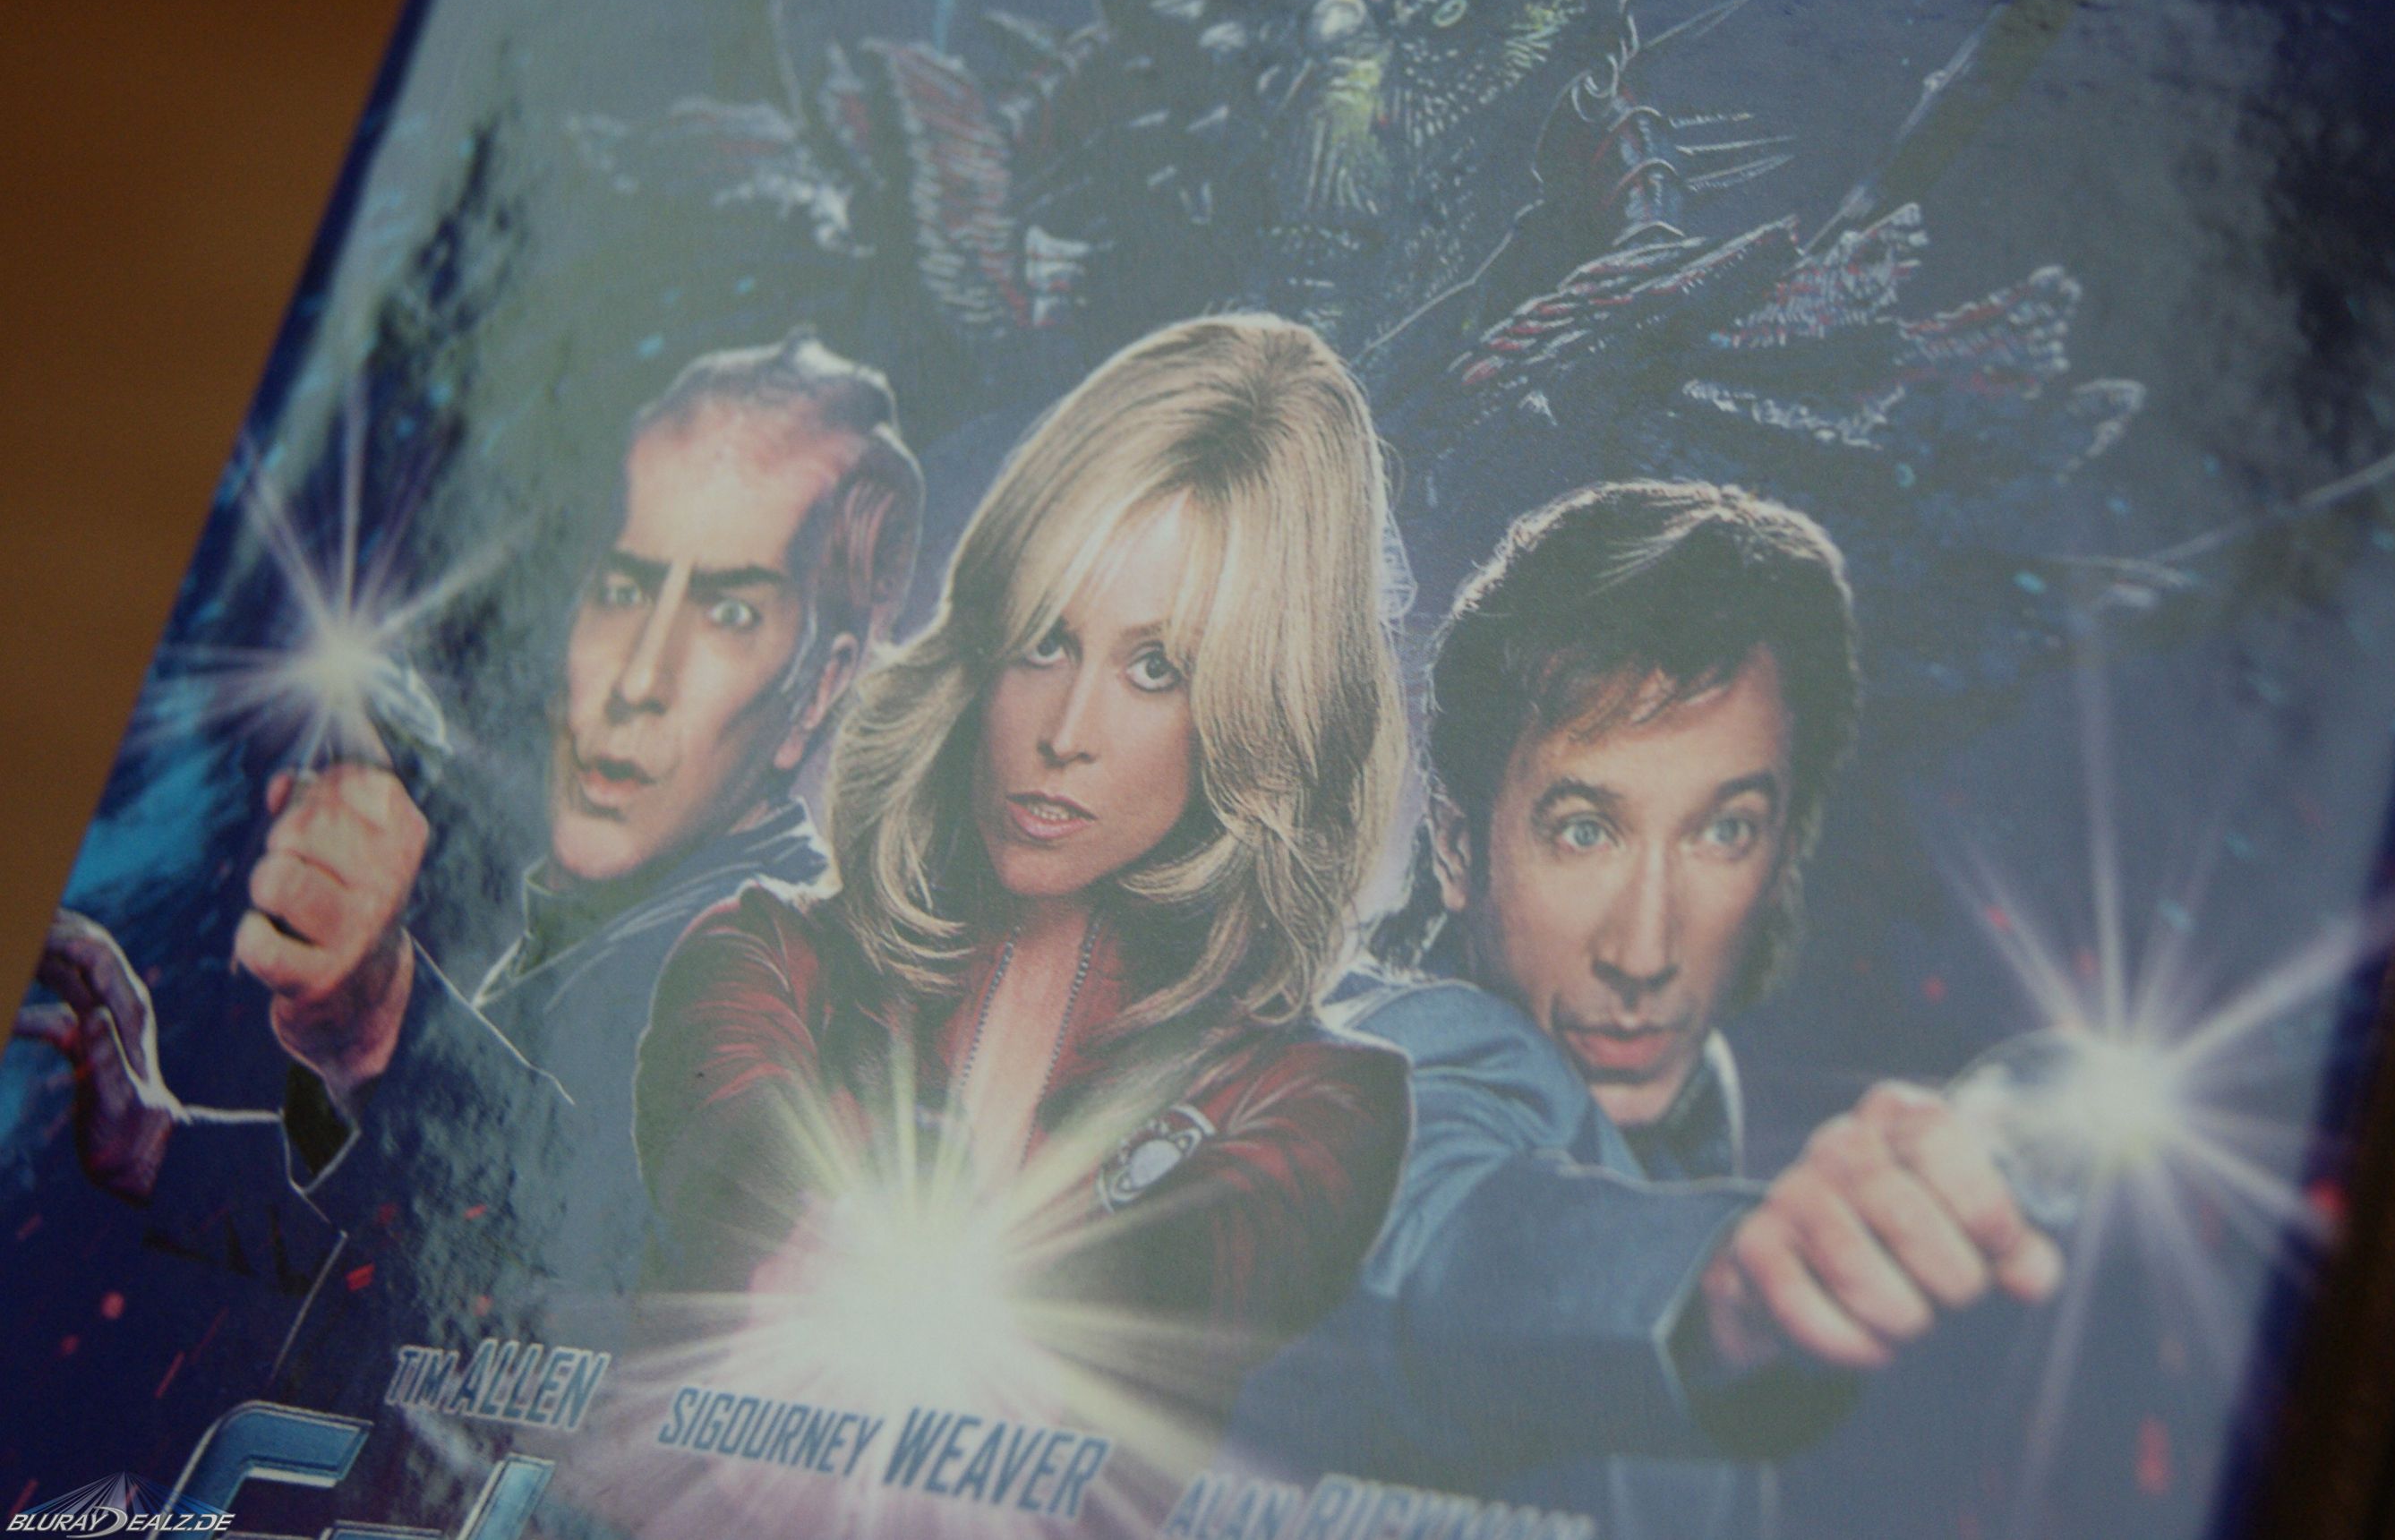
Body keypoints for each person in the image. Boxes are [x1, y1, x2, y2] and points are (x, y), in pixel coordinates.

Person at [19, 331, 923, 1396]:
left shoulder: (778, 972)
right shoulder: (597, 918)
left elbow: (604, 1269)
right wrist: (159, 1148)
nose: (638, 676)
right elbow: (413, 1265)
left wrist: (382, 1025)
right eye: (626, 588)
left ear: (820, 686)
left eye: (729, 611)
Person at [623, 314, 1410, 1516]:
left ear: (1258, 712)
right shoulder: (765, 958)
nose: (1065, 731)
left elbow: (1174, 1286)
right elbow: (737, 1144)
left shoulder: (1319, 1103)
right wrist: (806, 1236)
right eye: (1046, 639)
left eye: (1156, 667)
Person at [1232, 481, 2063, 1540]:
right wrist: (1726, 1287)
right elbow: (1440, 1242)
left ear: (1784, 848)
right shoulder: (1389, 1063)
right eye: (1583, 829)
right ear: (1455, 843)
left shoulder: (1689, 1120)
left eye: (1724, 830)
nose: (1644, 951)